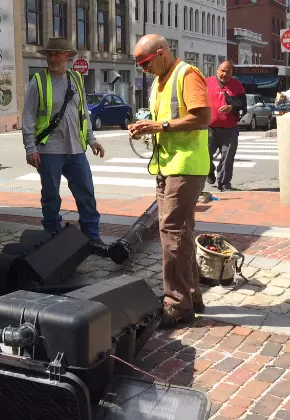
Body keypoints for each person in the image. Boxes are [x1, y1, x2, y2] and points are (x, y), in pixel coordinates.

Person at [129, 34, 211, 328]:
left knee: (171, 232)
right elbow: (162, 120)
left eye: (146, 63)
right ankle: (190, 296)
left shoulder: (186, 74)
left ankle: (176, 304)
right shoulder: (158, 81)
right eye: (139, 65)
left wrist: (159, 125)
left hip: (186, 166)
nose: (144, 70)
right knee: (181, 232)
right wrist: (145, 128)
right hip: (168, 165)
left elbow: (203, 117)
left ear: (161, 53)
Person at [21, 37, 105, 245]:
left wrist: (92, 140)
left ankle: (92, 236)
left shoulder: (76, 79)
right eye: (50, 54)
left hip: (76, 149)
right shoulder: (38, 82)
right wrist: (30, 148)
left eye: (57, 53)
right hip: (49, 150)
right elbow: (28, 119)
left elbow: (83, 113)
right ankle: (52, 234)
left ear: (67, 56)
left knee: (86, 193)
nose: (52, 58)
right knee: (51, 195)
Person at [206, 61, 246, 191]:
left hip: (230, 128)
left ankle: (224, 183)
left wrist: (232, 107)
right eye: (222, 70)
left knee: (227, 158)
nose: (224, 74)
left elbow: (242, 105)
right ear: (217, 70)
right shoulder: (206, 82)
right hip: (209, 127)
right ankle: (209, 170)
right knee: (204, 154)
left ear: (232, 72)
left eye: (228, 71)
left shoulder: (237, 85)